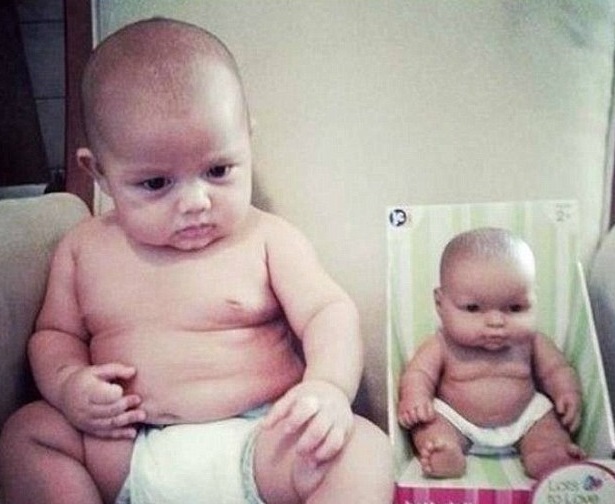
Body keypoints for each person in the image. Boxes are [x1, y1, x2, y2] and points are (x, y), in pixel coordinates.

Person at [0, 18, 393, 504]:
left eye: (218, 170)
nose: (195, 202)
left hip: (260, 442)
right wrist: (68, 386)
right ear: (98, 172)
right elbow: (54, 335)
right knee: (28, 433)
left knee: (364, 449)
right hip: (125, 447)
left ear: (246, 142)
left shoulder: (267, 238)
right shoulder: (83, 248)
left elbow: (327, 312)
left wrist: (328, 386)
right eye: (155, 183)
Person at [397, 227, 584, 479]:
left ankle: (546, 455)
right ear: (440, 303)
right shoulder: (441, 344)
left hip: (526, 418)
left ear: (534, 300)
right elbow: (419, 373)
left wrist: (567, 392)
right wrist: (416, 398)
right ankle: (447, 453)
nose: (496, 321)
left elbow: (557, 369)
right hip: (457, 420)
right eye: (473, 308)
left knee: (548, 425)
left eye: (515, 308)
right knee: (429, 425)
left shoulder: (532, 342)